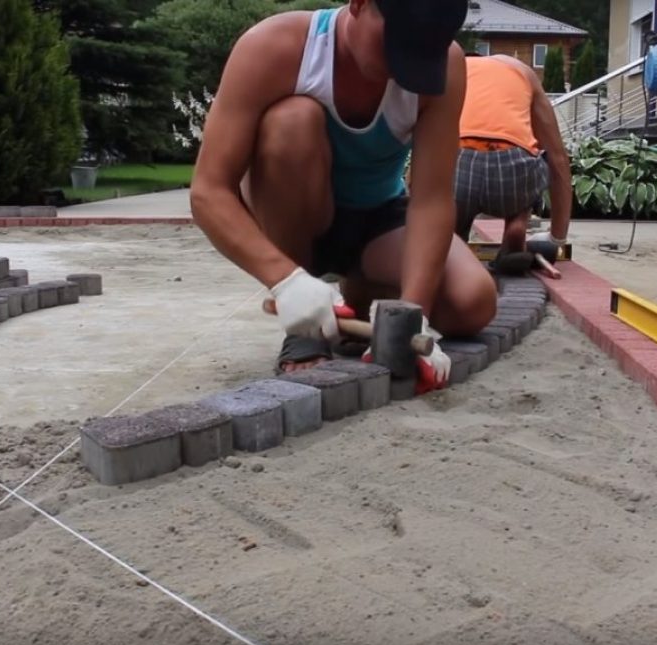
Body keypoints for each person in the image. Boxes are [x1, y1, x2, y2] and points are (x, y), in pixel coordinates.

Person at [190, 0, 497, 393]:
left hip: (376, 218)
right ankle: (305, 327)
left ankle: (360, 292)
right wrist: (286, 281)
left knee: (471, 302)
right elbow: (209, 190)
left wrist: (412, 313)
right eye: (394, 45)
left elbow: (431, 200)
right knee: (292, 122)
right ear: (359, 4)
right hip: (297, 218)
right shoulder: (276, 46)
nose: (399, 69)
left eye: (419, 53)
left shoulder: (446, 65)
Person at [452, 53, 573, 264]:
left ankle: (453, 245)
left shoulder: (451, 71)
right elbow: (558, 158)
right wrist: (557, 239)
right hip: (514, 172)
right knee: (535, 156)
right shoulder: (522, 71)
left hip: (460, 165)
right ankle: (517, 224)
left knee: (452, 224)